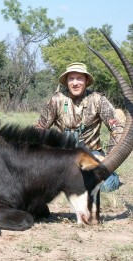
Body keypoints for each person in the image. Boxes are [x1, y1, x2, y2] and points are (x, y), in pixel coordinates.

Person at [36, 62, 124, 192]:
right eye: (71, 78)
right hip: (63, 155)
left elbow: (117, 128)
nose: (75, 83)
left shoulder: (98, 99)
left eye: (79, 78)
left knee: (106, 186)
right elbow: (40, 129)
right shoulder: (56, 99)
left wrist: (109, 157)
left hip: (91, 155)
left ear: (86, 80)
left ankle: (109, 176)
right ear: (66, 81)